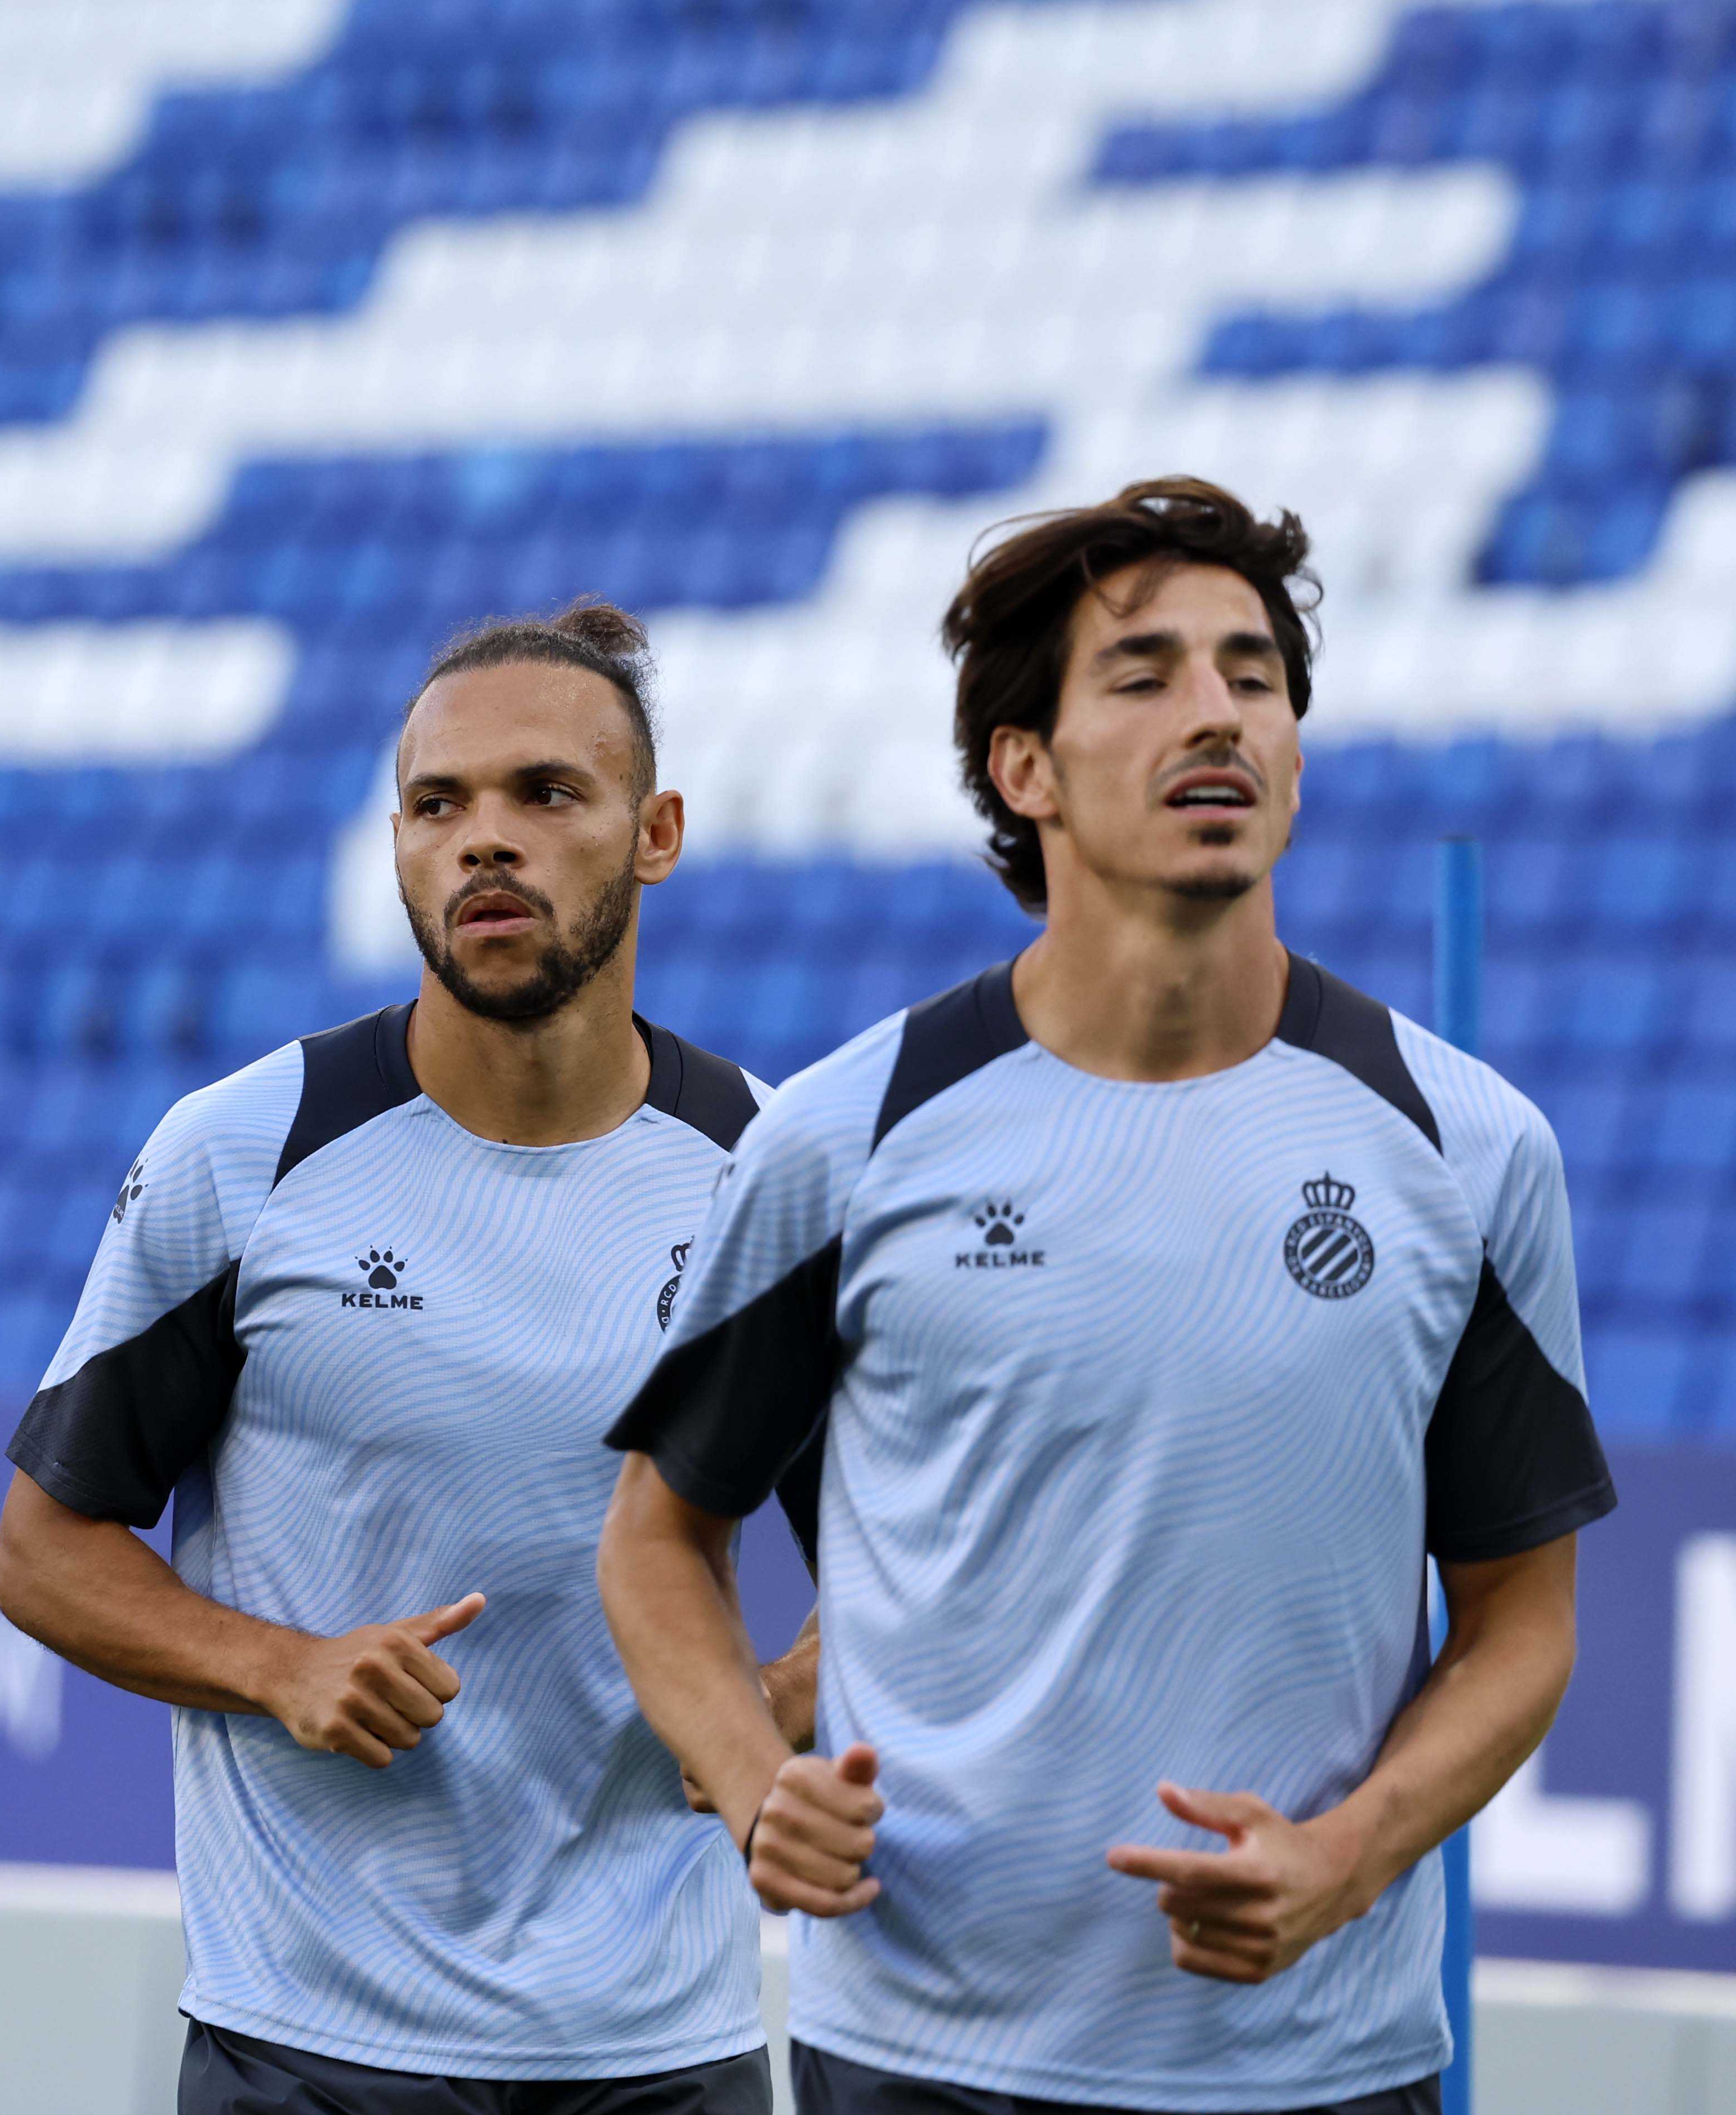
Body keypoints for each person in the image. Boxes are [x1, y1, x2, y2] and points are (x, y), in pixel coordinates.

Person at [597, 477, 1615, 2115]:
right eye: (1144, 676)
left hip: (1322, 2069)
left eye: (1252, 677)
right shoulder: (843, 1140)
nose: (1215, 713)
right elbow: (657, 1536)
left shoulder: (1470, 1147)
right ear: (1026, 768)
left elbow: (1523, 1620)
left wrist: (1349, 1859)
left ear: (1295, 754)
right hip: (920, 2065)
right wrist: (748, 1779)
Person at [0, 601, 815, 2115]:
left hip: (659, 2049)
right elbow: (44, 1551)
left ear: (657, 835)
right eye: (439, 805)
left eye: (545, 794)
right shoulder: (242, 1154)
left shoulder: (769, 1170)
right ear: (394, 847)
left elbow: (917, 1534)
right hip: (312, 2046)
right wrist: (279, 1668)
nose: (483, 839)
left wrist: (777, 1703)